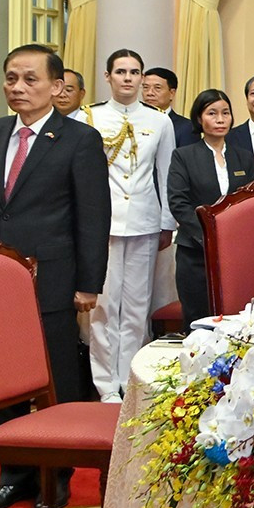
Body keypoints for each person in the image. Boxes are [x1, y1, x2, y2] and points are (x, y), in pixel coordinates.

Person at [0, 43, 110, 508]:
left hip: (53, 276)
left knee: (57, 377)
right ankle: (16, 473)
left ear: (56, 86)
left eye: (30, 79)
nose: (19, 87)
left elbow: (93, 215)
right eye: (11, 78)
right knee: (2, 376)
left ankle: (57, 473)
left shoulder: (78, 139)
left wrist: (88, 282)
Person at [86, 48, 177, 404]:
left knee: (138, 305)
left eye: (134, 72)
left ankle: (129, 377)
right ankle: (104, 383)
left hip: (144, 219)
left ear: (142, 78)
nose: (128, 78)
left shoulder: (159, 121)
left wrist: (167, 221)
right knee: (104, 305)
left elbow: (166, 174)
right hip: (102, 223)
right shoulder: (88, 117)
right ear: (107, 77)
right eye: (120, 71)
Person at [166, 89, 254, 325]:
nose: (220, 119)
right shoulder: (183, 156)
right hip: (196, 252)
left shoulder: (243, 157)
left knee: (236, 320)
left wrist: (232, 235)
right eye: (212, 113)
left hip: (236, 251)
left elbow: (251, 201)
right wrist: (209, 236)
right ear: (199, 118)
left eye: (225, 113)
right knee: (199, 321)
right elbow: (179, 202)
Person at [142, 66, 196, 147]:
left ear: (172, 93)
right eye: (145, 87)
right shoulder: (134, 121)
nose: (150, 93)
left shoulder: (186, 127)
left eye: (157, 88)